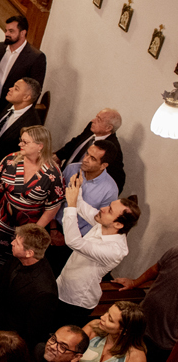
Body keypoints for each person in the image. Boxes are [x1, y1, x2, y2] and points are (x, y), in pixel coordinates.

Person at [56, 174, 139, 325]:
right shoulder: (103, 223)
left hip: (76, 301)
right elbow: (82, 206)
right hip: (62, 285)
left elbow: (74, 241)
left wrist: (71, 206)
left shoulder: (115, 250)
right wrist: (77, 187)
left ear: (118, 225)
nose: (103, 208)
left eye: (110, 210)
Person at [0, 125, 64, 273]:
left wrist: (32, 234)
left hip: (28, 229)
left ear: (40, 146)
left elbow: (52, 208)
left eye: (25, 142)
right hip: (1, 222)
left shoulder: (53, 174)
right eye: (21, 140)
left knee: (13, 265)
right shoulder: (10, 160)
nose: (20, 144)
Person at [0, 224, 57, 355]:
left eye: (16, 242)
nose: (12, 243)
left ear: (29, 253)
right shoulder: (18, 257)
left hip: (9, 338)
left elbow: (33, 333)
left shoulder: (45, 291)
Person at [52, 140, 121, 269]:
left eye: (93, 158)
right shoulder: (72, 168)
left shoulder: (110, 189)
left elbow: (100, 222)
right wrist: (52, 228)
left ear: (103, 165)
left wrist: (70, 239)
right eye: (87, 154)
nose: (85, 159)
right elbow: (55, 198)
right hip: (53, 225)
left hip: (77, 239)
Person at [114, 246, 178, 362]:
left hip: (164, 341)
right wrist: (134, 283)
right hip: (140, 322)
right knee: (117, 361)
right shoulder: (175, 252)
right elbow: (156, 269)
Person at [54, 109, 126, 190]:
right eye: (96, 117)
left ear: (108, 128)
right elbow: (77, 141)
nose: (93, 120)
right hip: (64, 174)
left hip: (78, 187)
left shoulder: (112, 148)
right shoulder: (92, 128)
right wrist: (58, 156)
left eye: (98, 120)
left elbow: (118, 179)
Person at [0, 15, 47, 113]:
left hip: (12, 107)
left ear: (22, 33)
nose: (6, 34)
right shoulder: (1, 47)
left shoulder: (36, 57)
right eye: (6, 30)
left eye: (11, 31)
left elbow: (35, 90)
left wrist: (21, 113)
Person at [0, 77, 43, 167]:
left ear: (26, 97)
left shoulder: (32, 124)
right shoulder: (11, 105)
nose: (10, 89)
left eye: (16, 89)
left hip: (3, 167)